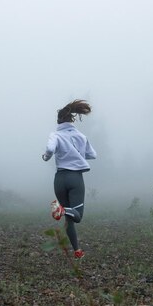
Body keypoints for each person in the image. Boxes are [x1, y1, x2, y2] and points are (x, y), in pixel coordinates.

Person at [42, 99, 97, 259]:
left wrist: (46, 157)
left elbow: (50, 149)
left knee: (69, 219)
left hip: (59, 179)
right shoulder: (81, 136)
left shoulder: (55, 134)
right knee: (77, 215)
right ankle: (61, 210)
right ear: (72, 119)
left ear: (59, 121)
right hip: (75, 178)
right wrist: (78, 153)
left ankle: (77, 251)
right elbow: (93, 155)